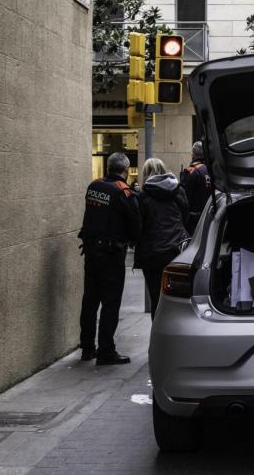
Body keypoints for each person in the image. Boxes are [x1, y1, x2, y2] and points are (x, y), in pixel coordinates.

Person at [78, 153, 142, 365]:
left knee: (90, 300)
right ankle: (106, 350)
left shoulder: (93, 186)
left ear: (108, 167)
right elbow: (135, 225)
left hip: (91, 251)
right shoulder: (123, 192)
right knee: (110, 303)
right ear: (125, 170)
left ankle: (87, 347)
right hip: (111, 255)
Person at [135, 158, 190, 314]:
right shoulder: (178, 190)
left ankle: (159, 335)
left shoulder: (143, 195)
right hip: (177, 250)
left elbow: (139, 225)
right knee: (178, 299)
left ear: (146, 173)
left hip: (152, 253)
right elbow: (185, 218)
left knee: (156, 299)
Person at [179, 140, 210, 234]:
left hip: (194, 221)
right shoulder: (212, 170)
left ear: (192, 154)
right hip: (210, 218)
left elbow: (184, 199)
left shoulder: (191, 171)